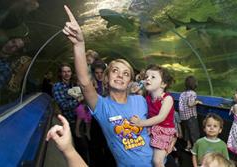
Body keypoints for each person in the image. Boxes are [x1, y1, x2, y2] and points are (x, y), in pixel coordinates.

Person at [53, 5, 153, 166]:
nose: (120, 75)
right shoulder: (102, 106)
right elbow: (85, 83)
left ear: (130, 81)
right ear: (106, 79)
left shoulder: (140, 100)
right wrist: (79, 44)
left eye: (126, 73)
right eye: (115, 71)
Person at [130, 64, 176, 167]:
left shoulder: (167, 98)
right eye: (146, 77)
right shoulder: (147, 97)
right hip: (151, 129)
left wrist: (140, 123)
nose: (148, 79)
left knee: (157, 161)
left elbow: (160, 118)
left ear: (163, 84)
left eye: (153, 77)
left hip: (163, 131)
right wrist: (133, 92)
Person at [178, 76, 202, 152]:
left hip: (183, 116)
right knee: (194, 131)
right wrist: (197, 102)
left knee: (187, 131)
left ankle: (188, 146)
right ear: (194, 84)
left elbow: (181, 105)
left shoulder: (182, 94)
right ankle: (195, 148)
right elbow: (190, 104)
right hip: (191, 116)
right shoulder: (193, 93)